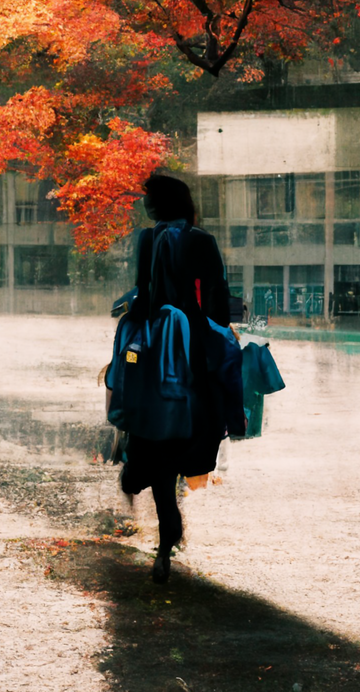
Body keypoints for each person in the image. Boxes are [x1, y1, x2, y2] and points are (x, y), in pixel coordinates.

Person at [119, 173, 239, 584]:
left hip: (154, 345)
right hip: (191, 344)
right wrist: (219, 335)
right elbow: (219, 299)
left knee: (138, 407)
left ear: (162, 201)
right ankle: (218, 439)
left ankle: (137, 468)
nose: (145, 203)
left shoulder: (147, 240)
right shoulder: (201, 240)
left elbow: (143, 292)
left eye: (148, 197)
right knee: (211, 401)